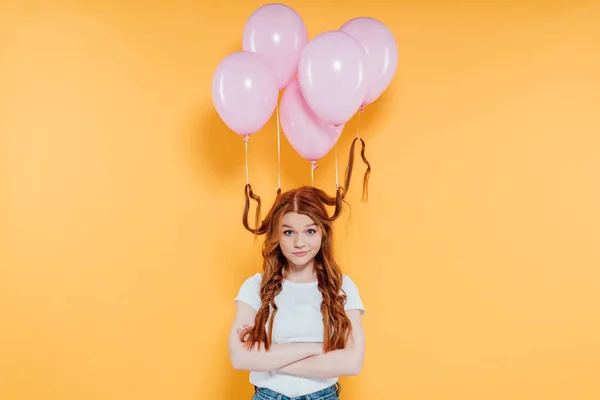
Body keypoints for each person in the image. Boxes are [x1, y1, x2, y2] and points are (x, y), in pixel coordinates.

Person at [229, 184, 366, 400]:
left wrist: (269, 360)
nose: (299, 242)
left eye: (310, 231)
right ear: (276, 235)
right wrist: (318, 348)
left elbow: (352, 362)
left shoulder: (342, 287)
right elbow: (240, 358)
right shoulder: (255, 286)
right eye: (288, 232)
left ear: (323, 233)